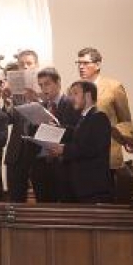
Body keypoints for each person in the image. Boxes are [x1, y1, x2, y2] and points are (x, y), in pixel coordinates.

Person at [75, 47, 133, 203]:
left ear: (97, 65)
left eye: (85, 63)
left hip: (108, 155)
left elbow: (124, 120)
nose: (80, 67)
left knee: (106, 201)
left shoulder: (113, 87)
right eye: (78, 63)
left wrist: (130, 143)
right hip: (82, 156)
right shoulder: (75, 88)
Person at [42, 80, 112, 204]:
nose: (71, 98)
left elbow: (92, 149)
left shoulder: (99, 117)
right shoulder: (84, 118)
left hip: (93, 188)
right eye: (70, 94)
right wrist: (57, 129)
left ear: (88, 95)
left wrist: (64, 149)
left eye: (75, 93)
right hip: (82, 187)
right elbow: (77, 135)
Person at [29, 67, 79, 203]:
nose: (44, 89)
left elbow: (77, 132)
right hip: (41, 165)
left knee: (63, 209)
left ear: (58, 83)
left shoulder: (71, 103)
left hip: (62, 165)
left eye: (47, 84)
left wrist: (56, 128)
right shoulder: (40, 107)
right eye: (41, 85)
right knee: (43, 208)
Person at [0, 50, 40, 202]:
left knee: (44, 198)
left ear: (36, 66)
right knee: (15, 200)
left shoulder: (44, 89)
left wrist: (37, 100)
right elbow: (8, 120)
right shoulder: (16, 93)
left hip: (38, 151)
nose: (25, 67)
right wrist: (6, 102)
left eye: (29, 64)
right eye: (21, 64)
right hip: (17, 152)